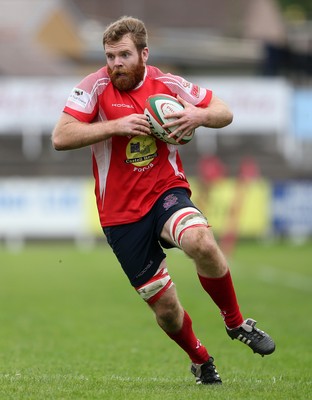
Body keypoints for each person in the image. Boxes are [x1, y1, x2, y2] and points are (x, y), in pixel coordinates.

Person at [52, 16, 275, 385]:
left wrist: (197, 116)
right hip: (120, 214)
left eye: (124, 55)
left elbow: (225, 111)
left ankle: (236, 323)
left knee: (200, 239)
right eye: (109, 56)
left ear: (144, 53)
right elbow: (60, 136)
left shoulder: (166, 83)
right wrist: (115, 126)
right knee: (167, 309)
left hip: (165, 192)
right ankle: (201, 360)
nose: (115, 64)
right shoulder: (93, 87)